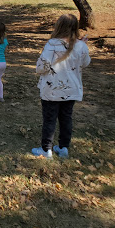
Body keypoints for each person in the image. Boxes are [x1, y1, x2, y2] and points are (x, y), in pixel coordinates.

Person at [32, 14, 90, 159]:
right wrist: (83, 46)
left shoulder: (52, 44)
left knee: (50, 119)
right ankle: (63, 147)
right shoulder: (81, 46)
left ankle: (47, 149)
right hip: (71, 89)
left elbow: (41, 67)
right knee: (66, 118)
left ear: (59, 26)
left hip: (52, 90)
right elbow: (85, 63)